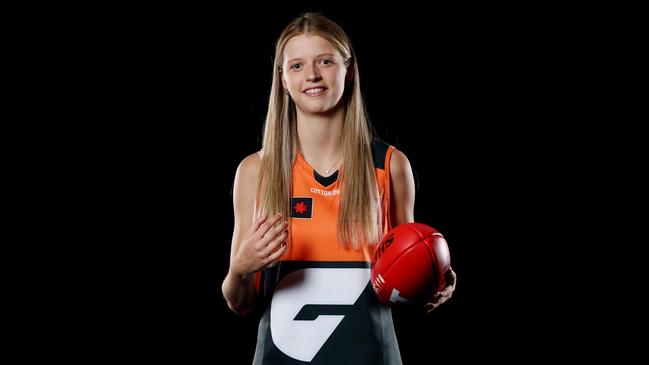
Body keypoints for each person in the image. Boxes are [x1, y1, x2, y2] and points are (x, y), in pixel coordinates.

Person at [222, 12, 456, 364]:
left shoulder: (390, 166)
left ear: (348, 69)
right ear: (283, 79)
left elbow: (405, 288)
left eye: (325, 61)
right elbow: (238, 302)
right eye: (297, 65)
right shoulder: (257, 171)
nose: (312, 75)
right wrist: (241, 268)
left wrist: (433, 284)